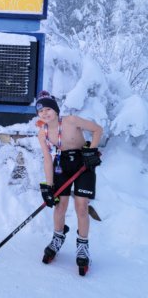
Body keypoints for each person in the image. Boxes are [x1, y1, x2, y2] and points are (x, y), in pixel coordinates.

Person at [35, 91, 102, 273]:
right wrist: (49, 187)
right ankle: (58, 237)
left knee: (81, 206)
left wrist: (91, 152)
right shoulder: (43, 133)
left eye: (48, 109)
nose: (45, 113)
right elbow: (47, 159)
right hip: (61, 166)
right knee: (59, 206)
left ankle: (82, 247)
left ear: (56, 110)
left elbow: (98, 130)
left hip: (83, 164)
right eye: (41, 111)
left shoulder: (71, 120)